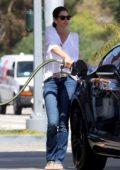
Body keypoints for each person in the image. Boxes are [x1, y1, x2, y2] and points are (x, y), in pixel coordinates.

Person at [43, 6, 79, 170]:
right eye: (62, 18)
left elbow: (75, 60)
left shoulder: (74, 37)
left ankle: (58, 161)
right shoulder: (50, 31)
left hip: (68, 81)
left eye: (67, 18)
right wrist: (66, 56)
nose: (66, 21)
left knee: (64, 122)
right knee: (53, 122)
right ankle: (49, 159)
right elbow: (52, 47)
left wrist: (72, 63)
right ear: (56, 19)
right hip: (51, 80)